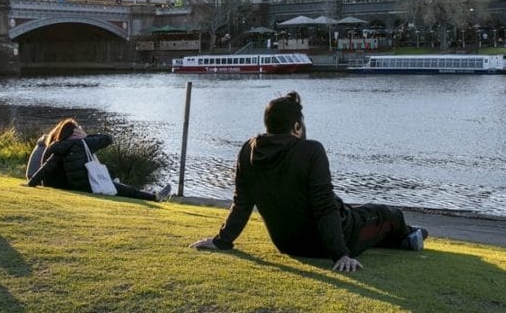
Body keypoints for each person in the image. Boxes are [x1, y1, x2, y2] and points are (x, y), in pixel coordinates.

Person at [190, 91, 428, 272]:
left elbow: (241, 203)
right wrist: (341, 255)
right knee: (388, 215)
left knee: (361, 218)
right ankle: (411, 234)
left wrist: (221, 241)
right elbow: (324, 206)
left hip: (288, 244)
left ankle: (404, 238)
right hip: (333, 241)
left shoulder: (247, 150)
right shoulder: (311, 150)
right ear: (296, 126)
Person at [26, 118, 171, 202]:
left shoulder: (55, 147)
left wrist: (31, 183)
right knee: (124, 190)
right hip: (82, 186)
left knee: (111, 176)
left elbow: (47, 167)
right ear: (76, 132)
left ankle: (151, 193)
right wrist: (85, 136)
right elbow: (108, 139)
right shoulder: (80, 144)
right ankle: (154, 197)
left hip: (66, 184)